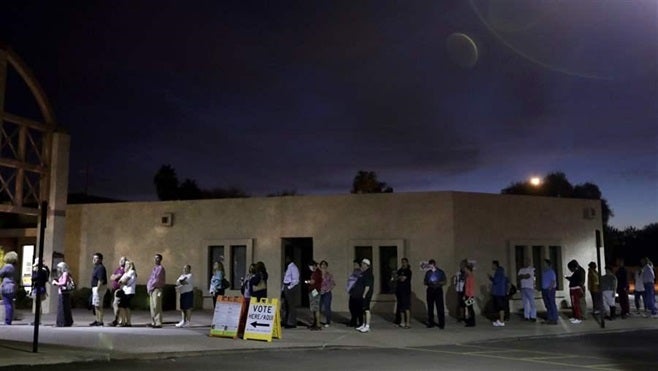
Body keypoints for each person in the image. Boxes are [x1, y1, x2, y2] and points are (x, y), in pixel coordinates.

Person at [424, 259, 447, 329]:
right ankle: (431, 322)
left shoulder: (440, 272)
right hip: (430, 290)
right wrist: (428, 282)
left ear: (434, 264)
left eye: (432, 265)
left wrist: (438, 282)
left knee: (440, 307)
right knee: (430, 307)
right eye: (429, 265)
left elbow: (445, 281)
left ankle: (441, 323)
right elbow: (424, 282)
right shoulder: (428, 273)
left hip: (438, 290)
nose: (431, 266)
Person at [52, 261, 74, 327]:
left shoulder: (65, 274)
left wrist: (56, 283)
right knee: (65, 308)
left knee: (61, 308)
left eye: (59, 268)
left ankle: (61, 322)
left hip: (63, 293)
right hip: (64, 293)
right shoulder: (65, 274)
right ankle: (67, 322)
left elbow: (64, 283)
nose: (58, 269)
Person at [147, 253, 166, 328]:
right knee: (152, 306)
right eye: (154, 258)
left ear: (160, 259)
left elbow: (157, 279)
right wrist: (148, 287)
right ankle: (153, 322)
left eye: (157, 258)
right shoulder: (154, 268)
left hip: (157, 289)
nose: (155, 259)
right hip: (152, 289)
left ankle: (158, 322)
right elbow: (150, 279)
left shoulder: (161, 268)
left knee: (157, 306)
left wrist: (151, 286)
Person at [355, 258, 374, 333]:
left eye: (363, 264)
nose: (361, 265)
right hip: (361, 294)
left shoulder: (368, 273)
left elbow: (367, 286)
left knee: (366, 309)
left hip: (366, 294)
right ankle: (363, 324)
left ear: (366, 265)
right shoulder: (363, 273)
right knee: (363, 310)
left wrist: (364, 294)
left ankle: (367, 326)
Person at [89, 252, 108, 326]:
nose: (94, 259)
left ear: (100, 260)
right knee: (96, 305)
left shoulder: (101, 268)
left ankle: (100, 321)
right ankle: (97, 320)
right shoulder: (96, 267)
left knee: (99, 305)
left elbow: (101, 280)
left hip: (99, 288)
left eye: (96, 258)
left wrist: (97, 289)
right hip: (95, 288)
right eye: (93, 258)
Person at [281, 256, 300, 329]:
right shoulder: (288, 267)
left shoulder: (293, 267)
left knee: (291, 305)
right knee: (286, 305)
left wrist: (289, 287)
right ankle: (286, 321)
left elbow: (296, 280)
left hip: (290, 287)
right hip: (286, 286)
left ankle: (291, 322)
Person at [30, 257, 50, 324]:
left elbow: (33, 278)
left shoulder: (39, 271)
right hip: (42, 288)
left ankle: (37, 320)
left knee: (38, 305)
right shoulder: (45, 270)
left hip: (38, 288)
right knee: (39, 305)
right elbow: (46, 279)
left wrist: (34, 271)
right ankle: (38, 320)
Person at [0, 251, 18, 325]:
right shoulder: (14, 267)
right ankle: (9, 320)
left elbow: (0, 274)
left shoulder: (7, 266)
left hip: (6, 286)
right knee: (10, 303)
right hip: (12, 286)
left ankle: (7, 321)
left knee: (7, 303)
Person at [565, 259, 585, 323]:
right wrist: (568, 278)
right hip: (574, 289)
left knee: (576, 304)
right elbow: (573, 279)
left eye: (570, 268)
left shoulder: (580, 271)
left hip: (576, 289)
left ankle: (578, 318)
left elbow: (581, 281)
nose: (571, 270)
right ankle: (575, 316)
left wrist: (580, 288)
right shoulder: (577, 271)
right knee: (574, 304)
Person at [108, 256, 127, 326]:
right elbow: (111, 277)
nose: (121, 261)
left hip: (119, 289)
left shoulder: (124, 270)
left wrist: (115, 276)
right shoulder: (118, 269)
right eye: (120, 260)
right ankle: (116, 319)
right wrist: (115, 276)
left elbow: (116, 277)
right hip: (114, 289)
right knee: (114, 305)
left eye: (123, 260)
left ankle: (117, 320)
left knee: (117, 304)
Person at [118, 260, 137, 327]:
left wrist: (122, 281)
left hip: (129, 292)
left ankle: (123, 322)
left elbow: (125, 281)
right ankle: (127, 322)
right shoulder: (126, 273)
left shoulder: (132, 272)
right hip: (124, 291)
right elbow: (120, 281)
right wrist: (122, 281)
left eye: (127, 265)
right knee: (126, 306)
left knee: (122, 306)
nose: (125, 266)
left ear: (130, 266)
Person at [394, 257, 412, 329]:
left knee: (406, 307)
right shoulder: (400, 270)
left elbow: (402, 279)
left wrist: (399, 277)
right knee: (401, 307)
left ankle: (408, 322)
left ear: (407, 263)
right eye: (402, 262)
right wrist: (398, 277)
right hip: (399, 291)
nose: (403, 264)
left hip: (406, 291)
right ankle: (402, 322)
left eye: (404, 262)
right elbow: (395, 278)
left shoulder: (408, 271)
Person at [489, 260, 507, 327]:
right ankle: (500, 320)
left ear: (495, 265)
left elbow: (496, 281)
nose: (492, 266)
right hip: (499, 292)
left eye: (492, 265)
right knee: (499, 307)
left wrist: (491, 278)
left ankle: (501, 321)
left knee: (500, 307)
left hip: (499, 293)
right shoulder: (500, 272)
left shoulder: (499, 272)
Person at [518, 257, 537, 322]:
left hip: (530, 287)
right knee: (525, 303)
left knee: (532, 302)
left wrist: (523, 276)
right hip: (523, 287)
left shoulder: (531, 269)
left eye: (527, 261)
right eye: (524, 261)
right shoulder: (521, 270)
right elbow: (519, 277)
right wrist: (524, 276)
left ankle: (533, 316)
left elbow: (528, 276)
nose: (525, 262)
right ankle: (526, 316)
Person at [541, 259, 558, 325]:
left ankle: (554, 318)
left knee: (551, 304)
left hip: (550, 290)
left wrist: (550, 288)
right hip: (544, 289)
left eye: (545, 263)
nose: (543, 265)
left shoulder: (551, 271)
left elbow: (553, 281)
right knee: (547, 305)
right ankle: (549, 318)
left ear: (548, 264)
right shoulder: (544, 271)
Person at [306, 260, 323, 330]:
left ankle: (318, 324)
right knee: (314, 307)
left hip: (314, 291)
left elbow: (312, 282)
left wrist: (307, 281)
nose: (310, 267)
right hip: (315, 290)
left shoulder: (316, 273)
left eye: (310, 266)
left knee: (315, 307)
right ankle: (315, 323)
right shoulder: (317, 272)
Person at [319, 260, 336, 327]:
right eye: (322, 265)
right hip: (319, 293)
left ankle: (328, 322)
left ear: (326, 266)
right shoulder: (318, 274)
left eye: (324, 265)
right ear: (320, 266)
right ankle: (317, 321)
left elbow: (333, 284)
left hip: (327, 293)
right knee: (318, 307)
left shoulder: (329, 275)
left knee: (327, 307)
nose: (323, 266)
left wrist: (328, 290)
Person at [347, 259, 362, 328]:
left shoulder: (360, 273)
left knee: (358, 308)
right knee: (352, 307)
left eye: (355, 264)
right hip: (353, 292)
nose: (354, 265)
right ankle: (353, 321)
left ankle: (360, 322)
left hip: (358, 293)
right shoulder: (354, 272)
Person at [463, 262, 476, 327]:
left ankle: (472, 322)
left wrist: (470, 296)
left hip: (470, 295)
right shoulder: (468, 276)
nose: (465, 270)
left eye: (465, 269)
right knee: (469, 308)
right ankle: (470, 320)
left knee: (470, 309)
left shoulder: (470, 277)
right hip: (467, 295)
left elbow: (471, 287)